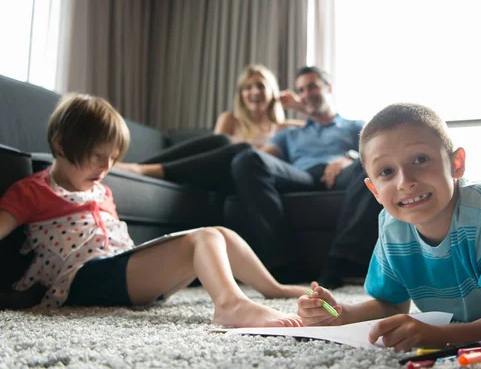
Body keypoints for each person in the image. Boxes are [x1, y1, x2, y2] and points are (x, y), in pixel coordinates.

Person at [297, 103, 481, 350]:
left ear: (457, 164)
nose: (405, 181)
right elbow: (392, 303)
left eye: (420, 159)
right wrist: (339, 313)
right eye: (387, 171)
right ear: (374, 190)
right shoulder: (390, 226)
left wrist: (439, 334)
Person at [0, 93, 307, 328]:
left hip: (118, 270)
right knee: (202, 239)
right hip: (81, 280)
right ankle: (231, 305)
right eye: (97, 157)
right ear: (62, 144)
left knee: (220, 235)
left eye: (112, 158)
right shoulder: (33, 190)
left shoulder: (101, 189)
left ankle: (273, 287)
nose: (107, 167)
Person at [229, 66, 382, 288]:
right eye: (301, 89)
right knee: (246, 160)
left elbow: (378, 148)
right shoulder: (289, 133)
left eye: (312, 86)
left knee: (370, 163)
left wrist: (349, 156)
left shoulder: (354, 125)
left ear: (328, 88)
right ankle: (282, 265)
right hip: (302, 175)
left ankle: (340, 262)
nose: (306, 93)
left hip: (344, 174)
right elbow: (260, 158)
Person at [115, 64, 302, 189]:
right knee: (222, 139)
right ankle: (138, 167)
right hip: (213, 173)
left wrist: (298, 105)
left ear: (273, 91)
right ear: (241, 95)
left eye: (261, 86)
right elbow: (211, 157)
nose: (254, 92)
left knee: (244, 150)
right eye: (248, 87)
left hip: (246, 180)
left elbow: (324, 124)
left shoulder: (285, 128)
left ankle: (142, 170)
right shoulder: (230, 120)